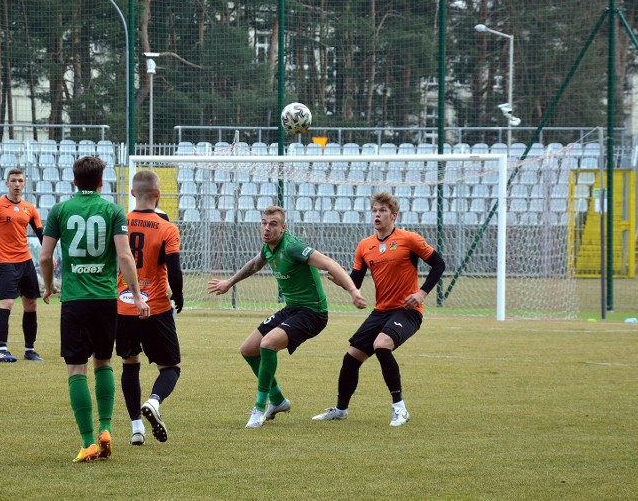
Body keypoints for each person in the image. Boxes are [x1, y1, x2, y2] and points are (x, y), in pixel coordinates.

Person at [207, 205, 367, 429]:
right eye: (263, 223)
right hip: (292, 308)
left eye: (273, 224)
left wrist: (353, 291)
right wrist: (229, 282)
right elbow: (254, 264)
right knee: (248, 349)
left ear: (283, 228)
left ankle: (260, 408)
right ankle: (279, 400)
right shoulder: (268, 247)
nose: (266, 228)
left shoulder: (293, 247)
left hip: (313, 312)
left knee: (268, 343)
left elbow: (330, 263)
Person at [38, 156, 150, 463]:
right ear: (102, 182)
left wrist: (49, 287)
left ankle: (88, 442)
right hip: (104, 300)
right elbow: (125, 256)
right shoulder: (112, 210)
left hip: (74, 300)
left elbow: (45, 257)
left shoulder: (60, 211)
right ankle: (105, 428)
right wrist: (138, 296)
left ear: (74, 181)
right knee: (104, 362)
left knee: (76, 368)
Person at [312, 191, 445, 427]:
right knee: (351, 358)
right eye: (374, 210)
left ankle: (400, 409)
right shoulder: (365, 246)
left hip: (407, 310)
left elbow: (439, 263)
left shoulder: (409, 239)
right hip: (380, 311)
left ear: (393, 215)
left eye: (382, 210)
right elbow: (357, 280)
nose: (377, 214)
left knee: (382, 345)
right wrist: (342, 282)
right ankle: (341, 410)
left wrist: (421, 292)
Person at [117, 170, 184, 446]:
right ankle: (154, 402)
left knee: (129, 364)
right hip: (155, 306)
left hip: (123, 306)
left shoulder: (119, 223)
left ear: (132, 194)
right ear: (158, 194)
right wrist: (178, 295)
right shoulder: (167, 228)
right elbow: (175, 269)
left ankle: (136, 428)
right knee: (171, 367)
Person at [0, 168, 44, 363]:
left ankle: (29, 350)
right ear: (7, 183)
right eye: (13, 180)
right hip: (6, 262)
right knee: (7, 303)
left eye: (20, 181)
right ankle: (2, 350)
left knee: (31, 305)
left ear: (24, 184)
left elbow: (41, 234)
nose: (16, 184)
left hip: (26, 261)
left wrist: (48, 253)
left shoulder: (29, 208)